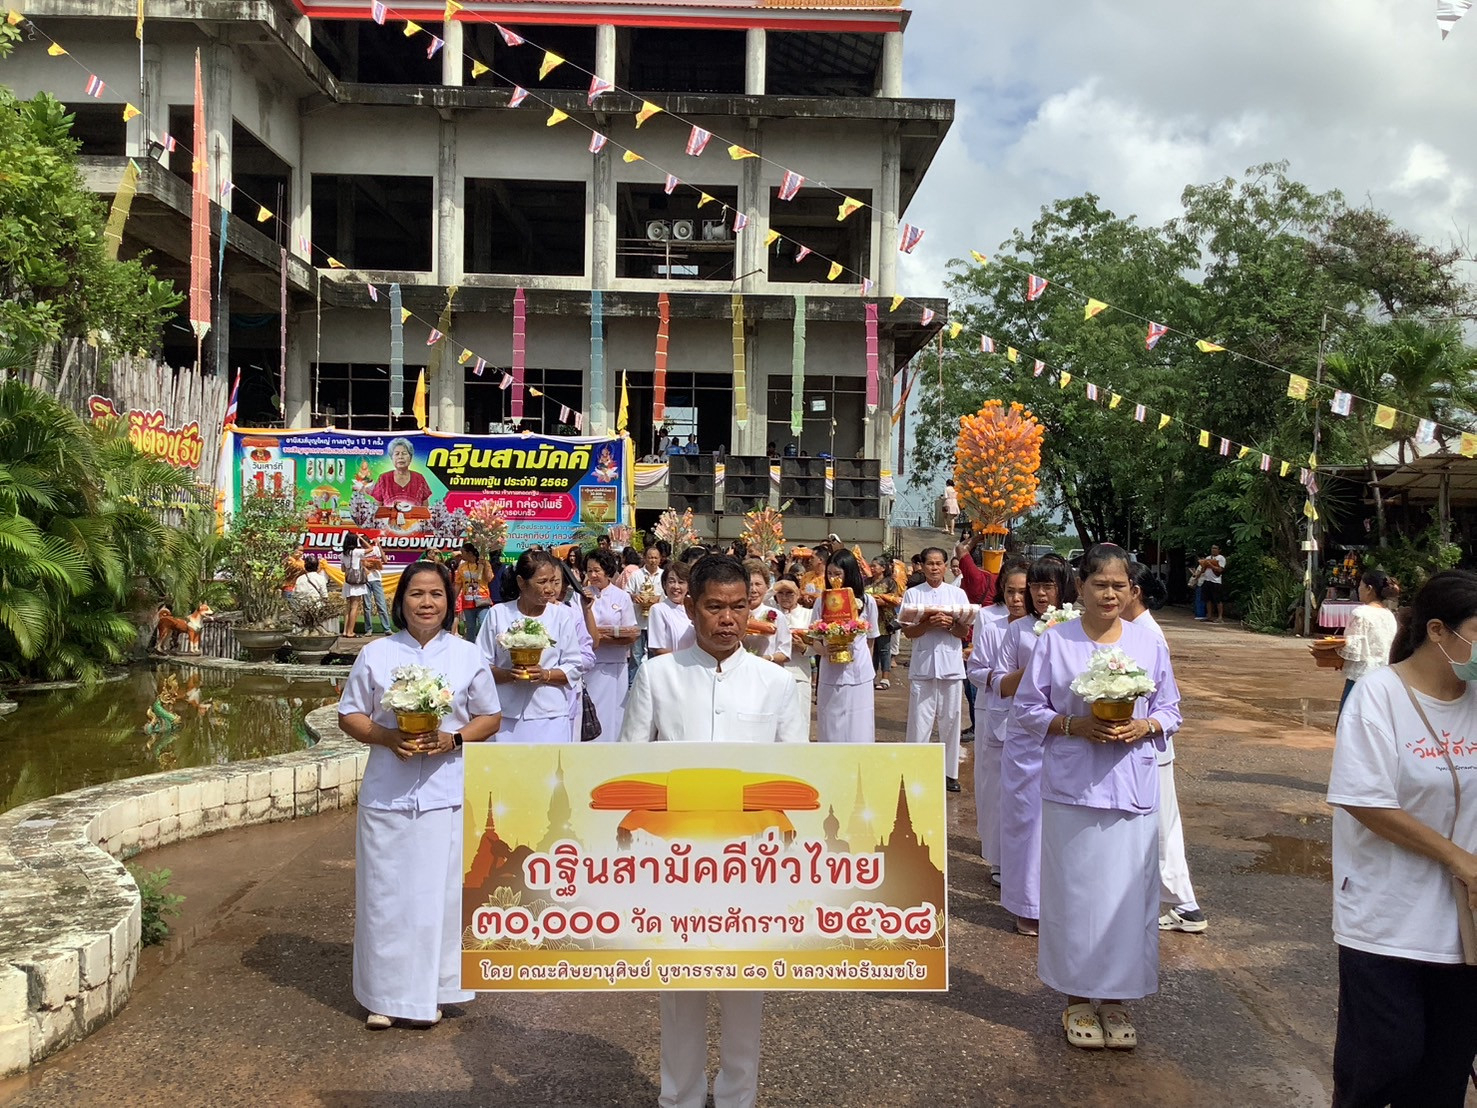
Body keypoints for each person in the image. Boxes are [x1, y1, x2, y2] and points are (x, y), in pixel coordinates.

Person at [620, 554, 805, 1108]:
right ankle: (678, 1096)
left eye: (738, 607)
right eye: (714, 607)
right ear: (690, 608)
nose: (728, 619)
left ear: (752, 609)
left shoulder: (779, 682)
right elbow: (628, 767)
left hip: (752, 862)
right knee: (678, 985)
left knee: (747, 984)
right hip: (671, 861)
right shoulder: (657, 675)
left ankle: (737, 1096)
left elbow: (795, 775)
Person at [1014, 545, 1181, 1051]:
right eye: (1099, 584)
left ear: (1133, 590)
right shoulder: (1055, 642)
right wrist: (1073, 724)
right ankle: (1075, 1000)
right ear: (1079, 587)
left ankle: (1117, 1000)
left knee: (1127, 900)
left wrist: (1144, 725)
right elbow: (1027, 709)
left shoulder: (1149, 644)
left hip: (1131, 786)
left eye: (1120, 585)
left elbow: (1171, 710)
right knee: (1075, 896)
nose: (1110, 594)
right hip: (1073, 789)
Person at [1327, 569, 1477, 1106]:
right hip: (1386, 916)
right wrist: (1457, 856)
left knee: (1443, 1075)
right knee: (1383, 1062)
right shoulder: (1377, 696)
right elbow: (1362, 798)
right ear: (1439, 631)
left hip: (1464, 928)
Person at [336, 559, 502, 1029]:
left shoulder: (467, 655)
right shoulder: (377, 654)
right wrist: (388, 737)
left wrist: (454, 738)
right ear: (400, 600)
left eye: (436, 594)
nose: (426, 603)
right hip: (387, 793)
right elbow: (350, 714)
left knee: (437, 897)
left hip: (444, 793)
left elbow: (490, 717)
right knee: (385, 895)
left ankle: (432, 991)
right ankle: (383, 997)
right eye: (416, 594)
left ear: (450, 602)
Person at [1122, 563, 1207, 935]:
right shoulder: (1133, 631)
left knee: (1161, 827)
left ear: (1134, 592)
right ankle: (1174, 901)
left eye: (1118, 585)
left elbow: (1163, 701)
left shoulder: (1147, 636)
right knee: (1159, 826)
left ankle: (1186, 904)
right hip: (1144, 747)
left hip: (1150, 746)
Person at [997, 553, 1077, 936]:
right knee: (1026, 822)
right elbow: (997, 682)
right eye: (1035, 586)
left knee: (1066, 821)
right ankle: (1027, 903)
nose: (1041, 594)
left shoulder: (1079, 626)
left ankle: (1065, 901)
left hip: (1069, 736)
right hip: (1027, 738)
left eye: (1049, 585)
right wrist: (1035, 669)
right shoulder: (1019, 631)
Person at [477, 551, 582, 743]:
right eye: (542, 582)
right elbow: (480, 665)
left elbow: (574, 665)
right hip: (505, 715)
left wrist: (545, 675)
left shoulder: (561, 616)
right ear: (521, 582)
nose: (550, 589)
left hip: (550, 715)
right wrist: (509, 675)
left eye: (553, 581)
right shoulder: (498, 614)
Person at [968, 558, 1029, 885]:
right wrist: (999, 679)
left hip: (1033, 723)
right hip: (996, 715)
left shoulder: (1045, 627)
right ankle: (998, 859)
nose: (1017, 599)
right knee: (994, 788)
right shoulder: (992, 628)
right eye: (1010, 592)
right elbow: (974, 670)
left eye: (1022, 592)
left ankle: (1026, 857)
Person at [900, 547, 973, 792]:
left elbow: (964, 632)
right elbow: (908, 632)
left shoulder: (957, 594)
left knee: (951, 721)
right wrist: (928, 624)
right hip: (923, 666)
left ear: (945, 566)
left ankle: (949, 773)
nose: (934, 568)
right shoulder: (912, 594)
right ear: (922, 565)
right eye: (930, 563)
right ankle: (914, 771)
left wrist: (950, 624)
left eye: (939, 563)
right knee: (919, 722)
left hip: (951, 666)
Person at [812, 549, 880, 744]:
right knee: (830, 726)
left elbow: (871, 639)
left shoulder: (867, 602)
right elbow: (814, 638)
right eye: (830, 574)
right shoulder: (821, 602)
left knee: (859, 728)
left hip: (859, 674)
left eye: (838, 574)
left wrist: (866, 668)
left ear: (849, 574)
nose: (833, 578)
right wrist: (824, 651)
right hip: (830, 672)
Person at [585, 548, 638, 742]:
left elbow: (630, 632)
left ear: (607, 570)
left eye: (597, 570)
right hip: (591, 663)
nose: (593, 575)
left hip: (615, 664)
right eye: (589, 570)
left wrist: (599, 635)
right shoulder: (581, 596)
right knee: (592, 710)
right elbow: (580, 632)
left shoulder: (621, 597)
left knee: (614, 712)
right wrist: (601, 636)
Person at [1334, 569, 1401, 715]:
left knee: (1350, 722)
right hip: (1383, 677)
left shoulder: (1361, 613)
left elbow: (1353, 648)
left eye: (1360, 586)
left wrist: (1335, 655)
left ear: (1369, 589)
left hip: (1360, 677)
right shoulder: (1389, 615)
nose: (1359, 589)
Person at [771, 577, 814, 731]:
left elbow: (819, 647)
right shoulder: (770, 612)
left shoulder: (808, 614)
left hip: (799, 674)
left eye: (789, 593)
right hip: (773, 674)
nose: (785, 597)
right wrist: (775, 586)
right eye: (780, 593)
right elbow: (754, 599)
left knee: (800, 722)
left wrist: (803, 647)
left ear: (798, 594)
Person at [742, 560, 790, 666]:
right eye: (749, 585)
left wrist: (767, 658)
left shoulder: (777, 616)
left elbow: (785, 653)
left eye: (758, 584)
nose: (753, 590)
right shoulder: (735, 615)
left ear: (767, 587)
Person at [368, 438, 434, 511]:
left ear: (411, 457)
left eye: (404, 453)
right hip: (389, 521)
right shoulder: (384, 478)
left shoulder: (419, 478)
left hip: (415, 521)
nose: (400, 457)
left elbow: (425, 509)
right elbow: (376, 509)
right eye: (396, 454)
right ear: (391, 458)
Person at [628, 544, 666, 671]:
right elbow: (626, 593)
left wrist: (658, 599)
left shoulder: (664, 575)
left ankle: (652, 680)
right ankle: (632, 683)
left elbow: (668, 595)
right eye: (650, 557)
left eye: (655, 558)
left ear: (660, 559)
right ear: (644, 558)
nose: (653, 560)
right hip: (638, 621)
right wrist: (634, 597)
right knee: (636, 655)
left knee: (654, 655)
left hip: (656, 623)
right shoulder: (636, 575)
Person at [647, 561, 695, 657]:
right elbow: (658, 649)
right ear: (664, 585)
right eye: (671, 581)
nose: (676, 587)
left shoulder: (695, 608)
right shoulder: (658, 610)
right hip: (673, 667)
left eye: (681, 582)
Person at [868, 557, 902, 691]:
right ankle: (871, 676)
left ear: (883, 568)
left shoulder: (890, 582)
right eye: (871, 566)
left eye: (875, 566)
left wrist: (881, 601)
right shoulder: (867, 581)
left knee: (884, 649)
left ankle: (885, 677)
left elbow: (894, 599)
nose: (872, 568)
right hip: (869, 620)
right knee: (872, 649)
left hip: (883, 619)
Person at [454, 543, 494, 643]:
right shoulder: (462, 567)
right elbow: (458, 584)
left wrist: (484, 565)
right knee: (470, 627)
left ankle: (485, 646)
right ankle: (471, 648)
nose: (461, 554)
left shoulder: (483, 563)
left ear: (470, 553)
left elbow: (489, 578)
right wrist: (453, 599)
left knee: (483, 624)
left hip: (482, 600)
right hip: (468, 602)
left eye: (463, 552)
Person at [341, 533, 369, 639]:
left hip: (348, 580)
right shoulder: (357, 552)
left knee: (348, 607)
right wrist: (361, 538)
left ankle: (345, 630)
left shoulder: (343, 554)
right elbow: (370, 548)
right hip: (356, 582)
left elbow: (343, 569)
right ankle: (350, 631)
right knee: (354, 607)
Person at [363, 537, 393, 634]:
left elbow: (385, 560)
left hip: (376, 579)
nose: (364, 545)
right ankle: (368, 629)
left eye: (365, 543)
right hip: (365, 580)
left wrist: (379, 545)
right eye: (362, 544)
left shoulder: (375, 549)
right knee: (367, 606)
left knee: (381, 604)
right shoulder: (359, 551)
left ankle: (387, 628)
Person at [1198, 544, 1227, 623]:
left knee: (1218, 599)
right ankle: (1209, 616)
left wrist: (1210, 565)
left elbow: (1220, 570)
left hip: (1216, 581)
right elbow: (1203, 570)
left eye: (1215, 548)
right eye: (1212, 548)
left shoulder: (1221, 558)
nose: (1213, 550)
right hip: (1207, 580)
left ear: (1219, 550)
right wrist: (1203, 565)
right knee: (1207, 599)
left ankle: (1220, 617)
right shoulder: (1208, 558)